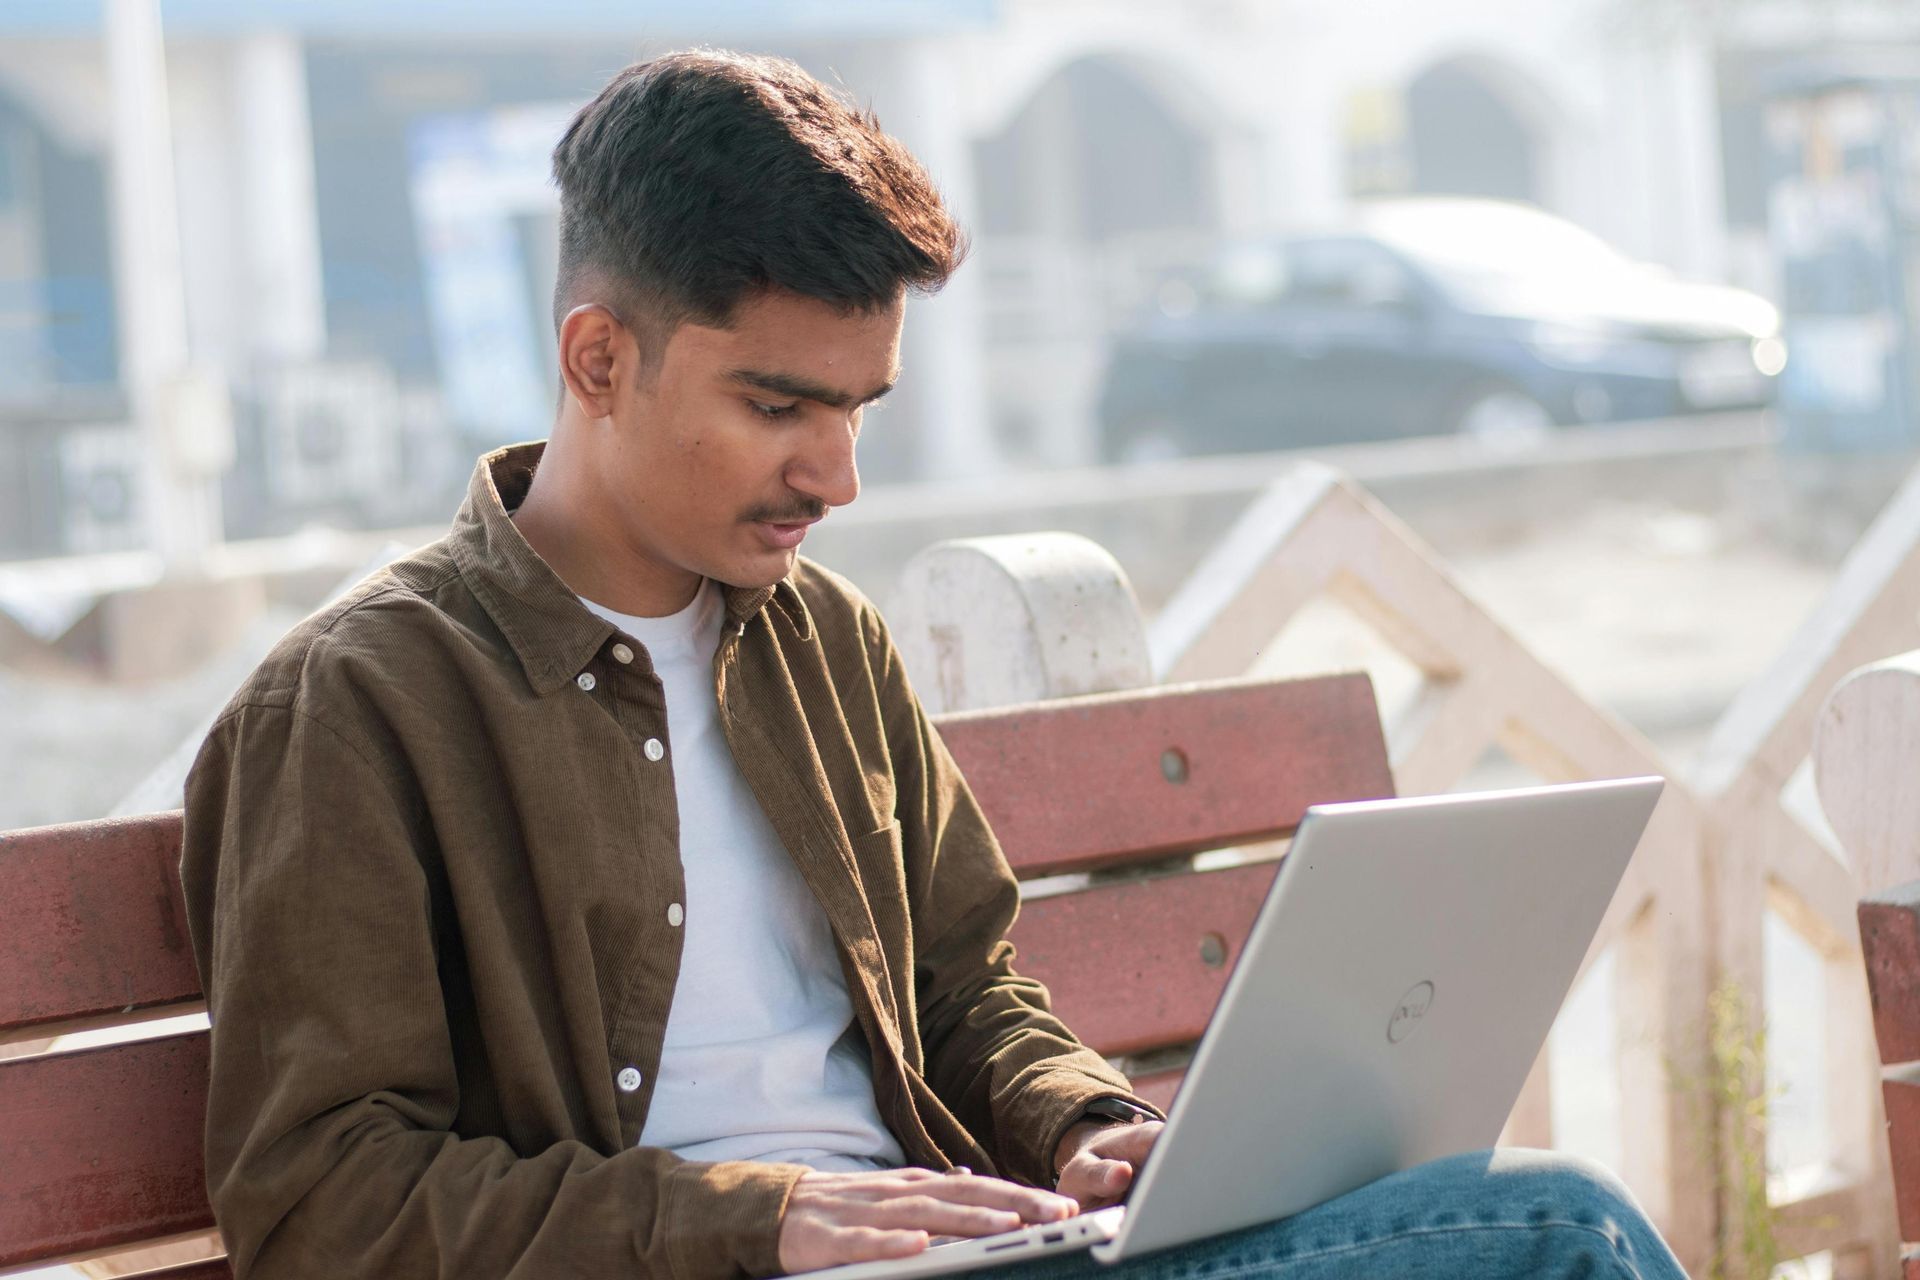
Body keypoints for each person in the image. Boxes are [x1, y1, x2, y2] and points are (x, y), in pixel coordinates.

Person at [180, 49, 1688, 1280]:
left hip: (971, 1253)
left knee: (1522, 1224)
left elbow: (966, 989)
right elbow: (318, 1198)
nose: (834, 478)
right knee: (1556, 1237)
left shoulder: (824, 643)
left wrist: (1082, 1128)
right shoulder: (362, 705)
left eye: (861, 409)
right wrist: (761, 1220)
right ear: (598, 361)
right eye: (779, 405)